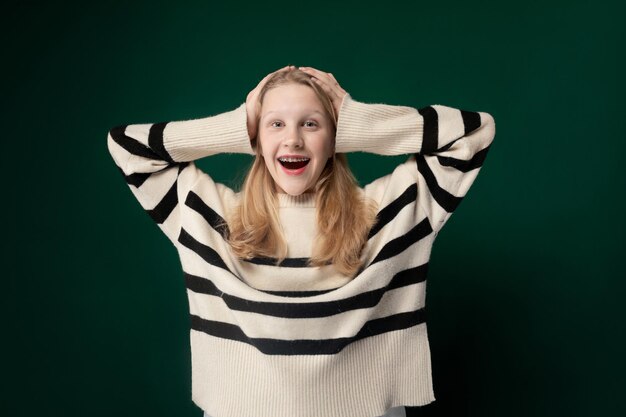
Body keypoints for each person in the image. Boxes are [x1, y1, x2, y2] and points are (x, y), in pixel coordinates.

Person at [107, 65, 496, 417]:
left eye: (311, 124)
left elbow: (472, 134)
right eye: (276, 124)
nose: (292, 139)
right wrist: (238, 124)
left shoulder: (387, 214)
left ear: (337, 139)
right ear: (254, 139)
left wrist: (358, 120)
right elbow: (129, 148)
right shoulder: (211, 218)